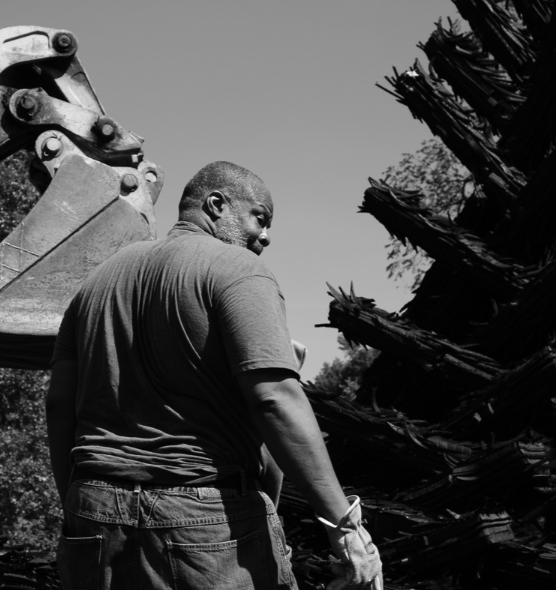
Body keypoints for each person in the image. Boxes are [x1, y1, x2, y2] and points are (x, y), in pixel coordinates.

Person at [46, 161, 383, 590]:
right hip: (203, 520)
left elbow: (59, 405)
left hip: (94, 514)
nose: (266, 236)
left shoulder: (95, 282)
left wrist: (79, 505)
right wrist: (345, 527)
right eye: (260, 217)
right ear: (217, 204)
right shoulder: (238, 269)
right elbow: (274, 400)